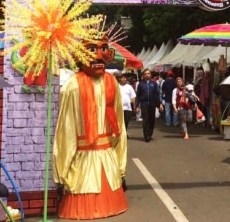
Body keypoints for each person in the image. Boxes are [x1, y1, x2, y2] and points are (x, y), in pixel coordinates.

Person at [53, 30, 128, 219]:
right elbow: (66, 131)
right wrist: (61, 173)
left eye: (104, 48)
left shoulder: (112, 82)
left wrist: (120, 166)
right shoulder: (72, 86)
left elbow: (119, 126)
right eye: (92, 49)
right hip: (84, 155)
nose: (98, 56)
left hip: (106, 155)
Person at [135, 69, 162, 142]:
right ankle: (146, 136)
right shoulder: (141, 84)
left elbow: (157, 94)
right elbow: (138, 95)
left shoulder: (154, 83)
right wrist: (137, 106)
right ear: (143, 75)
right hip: (144, 104)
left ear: (150, 74)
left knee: (152, 120)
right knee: (145, 120)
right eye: (145, 74)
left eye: (148, 73)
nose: (147, 75)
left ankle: (150, 133)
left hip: (152, 104)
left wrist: (160, 104)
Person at [118, 73, 137, 137]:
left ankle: (124, 133)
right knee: (120, 122)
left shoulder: (129, 87)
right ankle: (120, 134)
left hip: (128, 108)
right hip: (119, 108)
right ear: (119, 79)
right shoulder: (117, 86)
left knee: (126, 121)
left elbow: (133, 97)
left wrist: (134, 106)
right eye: (122, 77)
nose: (123, 79)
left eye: (125, 77)